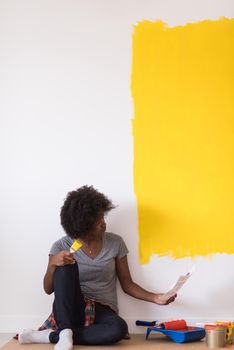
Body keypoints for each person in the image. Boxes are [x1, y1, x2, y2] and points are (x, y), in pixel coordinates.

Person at [19, 185, 176, 350]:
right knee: (65, 267)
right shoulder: (61, 245)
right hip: (71, 308)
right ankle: (64, 331)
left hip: (102, 310)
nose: (104, 224)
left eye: (103, 217)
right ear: (83, 226)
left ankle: (52, 336)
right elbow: (48, 289)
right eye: (98, 221)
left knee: (118, 329)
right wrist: (53, 265)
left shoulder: (115, 243)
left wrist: (155, 298)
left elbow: (127, 283)